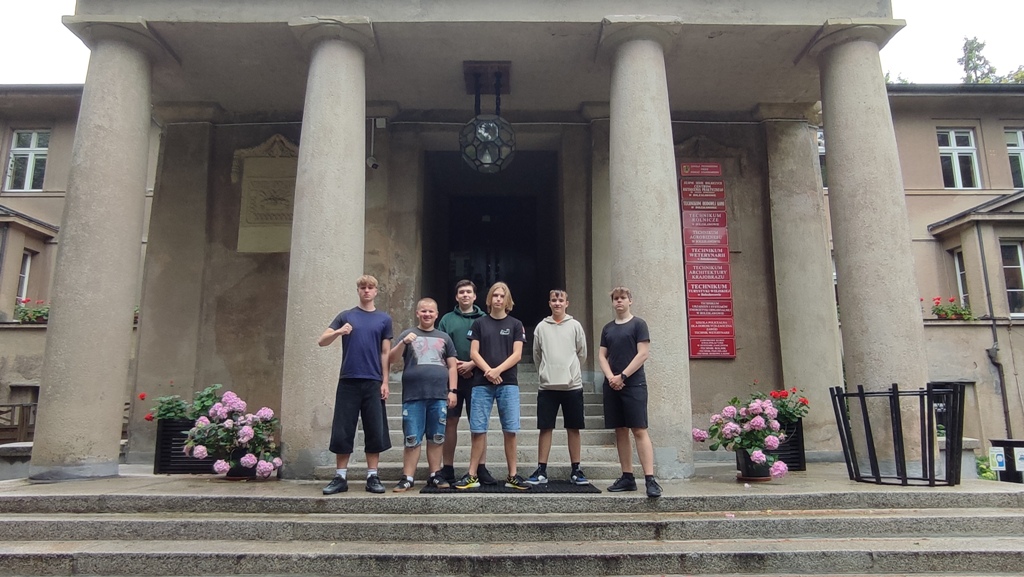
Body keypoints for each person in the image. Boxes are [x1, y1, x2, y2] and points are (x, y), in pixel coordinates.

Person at [319, 275, 393, 495]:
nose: (366, 291)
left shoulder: (384, 319)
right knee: (343, 429)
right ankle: (340, 476)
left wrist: (385, 381)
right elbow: (322, 340)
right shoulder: (346, 316)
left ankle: (373, 476)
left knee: (374, 428)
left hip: (373, 380)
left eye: (370, 287)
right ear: (358, 290)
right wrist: (339, 332)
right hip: (349, 380)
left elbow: (385, 352)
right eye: (362, 287)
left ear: (376, 291)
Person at [454, 281, 530, 490]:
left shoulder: (516, 324)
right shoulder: (479, 323)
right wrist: (488, 370)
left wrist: (497, 371)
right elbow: (474, 353)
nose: (498, 299)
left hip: (508, 383)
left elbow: (517, 354)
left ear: (507, 300)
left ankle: (512, 475)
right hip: (481, 383)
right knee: (478, 429)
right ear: (489, 299)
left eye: (502, 296)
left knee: (510, 429)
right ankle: (472, 475)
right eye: (495, 295)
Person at [388, 298, 459, 491]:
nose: (427, 314)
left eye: (431, 311)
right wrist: (403, 343)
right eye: (423, 311)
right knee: (412, 438)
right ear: (417, 313)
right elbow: (391, 358)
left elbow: (452, 366)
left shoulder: (444, 337)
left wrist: (452, 391)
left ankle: (435, 474)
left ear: (437, 315)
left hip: (438, 395)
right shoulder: (407, 334)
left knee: (437, 437)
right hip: (413, 396)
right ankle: (407, 477)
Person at [599, 286, 662, 498]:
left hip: (633, 385)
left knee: (639, 429)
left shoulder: (638, 324)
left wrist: (623, 376)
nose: (619, 301)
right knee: (620, 430)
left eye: (623, 298)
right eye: (616, 298)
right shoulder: (607, 328)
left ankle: (650, 479)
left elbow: (643, 354)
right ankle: (627, 476)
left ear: (630, 301)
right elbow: (602, 355)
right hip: (612, 385)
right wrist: (611, 377)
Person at [436, 280, 497, 486]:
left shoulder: (485, 319)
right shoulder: (447, 319)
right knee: (450, 422)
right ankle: (448, 467)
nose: (465, 295)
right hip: (451, 379)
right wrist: (454, 366)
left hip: (478, 378)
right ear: (456, 296)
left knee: (478, 425)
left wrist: (472, 364)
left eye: (468, 292)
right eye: (461, 292)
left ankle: (481, 468)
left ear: (475, 296)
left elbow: (490, 347)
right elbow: (441, 347)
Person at [526, 289, 589, 486]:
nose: (557, 303)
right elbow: (537, 354)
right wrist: (545, 372)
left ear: (567, 303)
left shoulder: (575, 326)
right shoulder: (541, 327)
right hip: (547, 387)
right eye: (554, 300)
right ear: (549, 303)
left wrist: (571, 371)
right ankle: (541, 469)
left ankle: (576, 469)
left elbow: (582, 353)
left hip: (572, 386)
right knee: (545, 427)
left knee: (573, 427)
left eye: (561, 300)